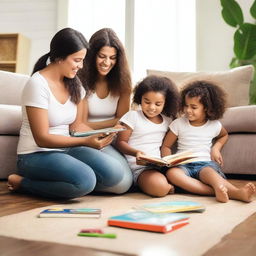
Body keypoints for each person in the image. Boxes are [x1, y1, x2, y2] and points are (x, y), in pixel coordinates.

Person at [7, 27, 126, 199]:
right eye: (77, 60)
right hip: (35, 154)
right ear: (60, 57)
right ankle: (23, 183)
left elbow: (77, 126)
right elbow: (42, 138)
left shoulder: (74, 83)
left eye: (83, 60)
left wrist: (100, 134)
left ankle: (68, 182)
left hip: (66, 148)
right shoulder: (37, 84)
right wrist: (86, 142)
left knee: (114, 174)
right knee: (85, 181)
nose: (81, 66)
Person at [161, 80, 256, 203]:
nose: (188, 110)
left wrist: (216, 148)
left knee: (210, 174)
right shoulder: (178, 124)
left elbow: (224, 135)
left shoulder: (214, 125)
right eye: (186, 105)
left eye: (194, 107)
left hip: (204, 164)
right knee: (172, 174)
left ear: (207, 108)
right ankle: (228, 193)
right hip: (182, 165)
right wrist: (169, 161)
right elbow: (166, 146)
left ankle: (234, 191)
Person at [78, 28, 133, 193]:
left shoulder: (123, 82)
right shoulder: (81, 80)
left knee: (125, 183)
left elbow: (123, 121)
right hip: (86, 138)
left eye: (112, 58)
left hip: (111, 140)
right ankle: (79, 181)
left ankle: (83, 180)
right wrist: (112, 123)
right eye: (102, 56)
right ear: (91, 55)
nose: (106, 62)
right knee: (121, 184)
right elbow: (80, 125)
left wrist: (115, 125)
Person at [115, 75, 180, 197]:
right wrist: (136, 153)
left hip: (158, 165)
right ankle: (166, 186)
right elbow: (120, 143)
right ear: (140, 98)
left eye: (158, 104)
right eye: (147, 102)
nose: (151, 107)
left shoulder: (168, 120)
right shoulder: (133, 116)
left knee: (181, 175)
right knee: (160, 188)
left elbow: (167, 144)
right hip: (140, 168)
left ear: (165, 103)